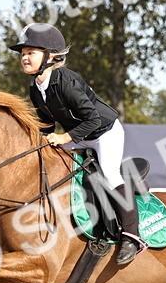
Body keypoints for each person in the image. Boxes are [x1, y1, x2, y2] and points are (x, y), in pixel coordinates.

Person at [10, 23, 146, 265]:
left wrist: (64, 138)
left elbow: (93, 119)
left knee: (110, 174)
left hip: (104, 132)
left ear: (50, 56)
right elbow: (46, 124)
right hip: (80, 135)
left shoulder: (65, 81)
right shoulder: (35, 88)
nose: (24, 58)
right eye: (23, 53)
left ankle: (132, 237)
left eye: (31, 52)